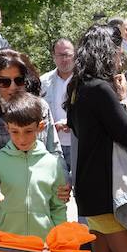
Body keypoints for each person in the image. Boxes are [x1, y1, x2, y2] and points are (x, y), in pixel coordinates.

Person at [66, 25, 127, 252]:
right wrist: (123, 99)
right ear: (107, 52)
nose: (119, 56)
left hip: (91, 192)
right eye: (117, 50)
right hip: (110, 195)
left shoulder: (78, 87)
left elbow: (90, 129)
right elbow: (126, 135)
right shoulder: (101, 89)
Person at [0, 49, 62, 205]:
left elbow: (54, 150)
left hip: (39, 192)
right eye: (4, 82)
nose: (12, 87)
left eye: (18, 80)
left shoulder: (41, 107)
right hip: (2, 193)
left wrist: (62, 182)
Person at [0, 94, 69, 240]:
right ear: (7, 128)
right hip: (7, 244)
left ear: (40, 127)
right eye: (15, 132)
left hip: (43, 245)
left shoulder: (52, 163)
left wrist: (61, 241)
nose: (22, 138)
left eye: (28, 131)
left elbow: (58, 208)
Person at [40, 38, 76, 184]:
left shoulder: (83, 81)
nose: (64, 59)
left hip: (77, 143)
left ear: (75, 55)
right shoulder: (44, 81)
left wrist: (72, 122)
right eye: (60, 55)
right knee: (55, 189)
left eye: (68, 54)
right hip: (53, 145)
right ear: (54, 57)